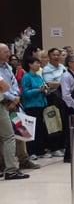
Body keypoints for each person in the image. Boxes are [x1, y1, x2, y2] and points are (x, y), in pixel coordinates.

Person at [0, 44, 30, 180]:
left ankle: (24, 159)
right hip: (4, 104)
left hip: (14, 104)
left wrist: (16, 97)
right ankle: (10, 169)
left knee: (21, 132)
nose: (9, 54)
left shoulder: (8, 67)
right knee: (8, 137)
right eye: (5, 51)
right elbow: (4, 87)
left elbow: (13, 84)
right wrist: (12, 98)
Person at [21, 57, 51, 158]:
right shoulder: (26, 77)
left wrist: (46, 90)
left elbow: (44, 88)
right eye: (36, 63)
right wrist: (38, 90)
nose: (38, 65)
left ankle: (41, 150)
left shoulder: (39, 77)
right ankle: (31, 152)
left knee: (41, 129)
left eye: (39, 63)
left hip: (41, 104)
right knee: (31, 129)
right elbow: (25, 93)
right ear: (30, 64)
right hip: (31, 106)